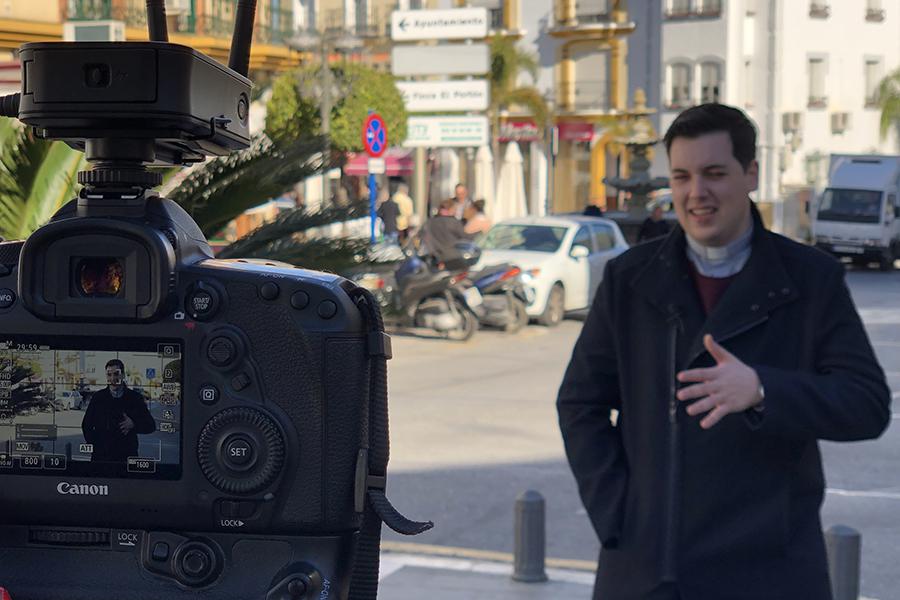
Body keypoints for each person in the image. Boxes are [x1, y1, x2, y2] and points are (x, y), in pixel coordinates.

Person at [557, 103, 891, 600]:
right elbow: (579, 404)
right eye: (682, 176)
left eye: (715, 173)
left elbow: (867, 405)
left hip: (769, 572)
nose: (696, 193)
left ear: (751, 173)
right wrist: (620, 511)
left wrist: (762, 389)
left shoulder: (810, 278)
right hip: (649, 569)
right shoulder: (630, 278)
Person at [81, 359, 156, 464]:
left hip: (126, 458)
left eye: (116, 374)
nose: (113, 378)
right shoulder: (98, 398)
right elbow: (86, 425)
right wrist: (97, 445)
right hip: (102, 459)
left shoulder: (135, 398)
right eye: (109, 374)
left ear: (123, 375)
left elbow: (151, 426)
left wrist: (134, 424)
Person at [421, 198, 473, 264]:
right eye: (455, 209)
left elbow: (423, 239)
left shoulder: (429, 222)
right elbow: (466, 238)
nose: (456, 211)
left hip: (433, 259)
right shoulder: (454, 223)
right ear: (450, 209)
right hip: (451, 259)